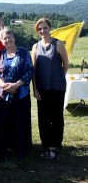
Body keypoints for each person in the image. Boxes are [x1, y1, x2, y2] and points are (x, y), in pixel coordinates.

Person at [0, 27, 33, 160]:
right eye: (4, 38)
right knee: (5, 121)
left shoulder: (24, 52)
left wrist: (17, 84)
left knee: (20, 121)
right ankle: (6, 148)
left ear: (14, 38)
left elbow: (29, 70)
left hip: (21, 94)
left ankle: (21, 148)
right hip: (3, 95)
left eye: (9, 37)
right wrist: (2, 84)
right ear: (1, 40)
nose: (7, 39)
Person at [32, 18, 69, 159]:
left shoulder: (58, 44)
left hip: (57, 88)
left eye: (45, 27)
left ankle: (54, 147)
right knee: (43, 119)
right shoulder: (35, 47)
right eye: (40, 28)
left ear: (50, 28)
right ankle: (46, 145)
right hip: (42, 89)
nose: (42, 30)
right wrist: (35, 88)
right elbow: (34, 70)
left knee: (56, 118)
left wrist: (59, 76)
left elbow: (66, 64)